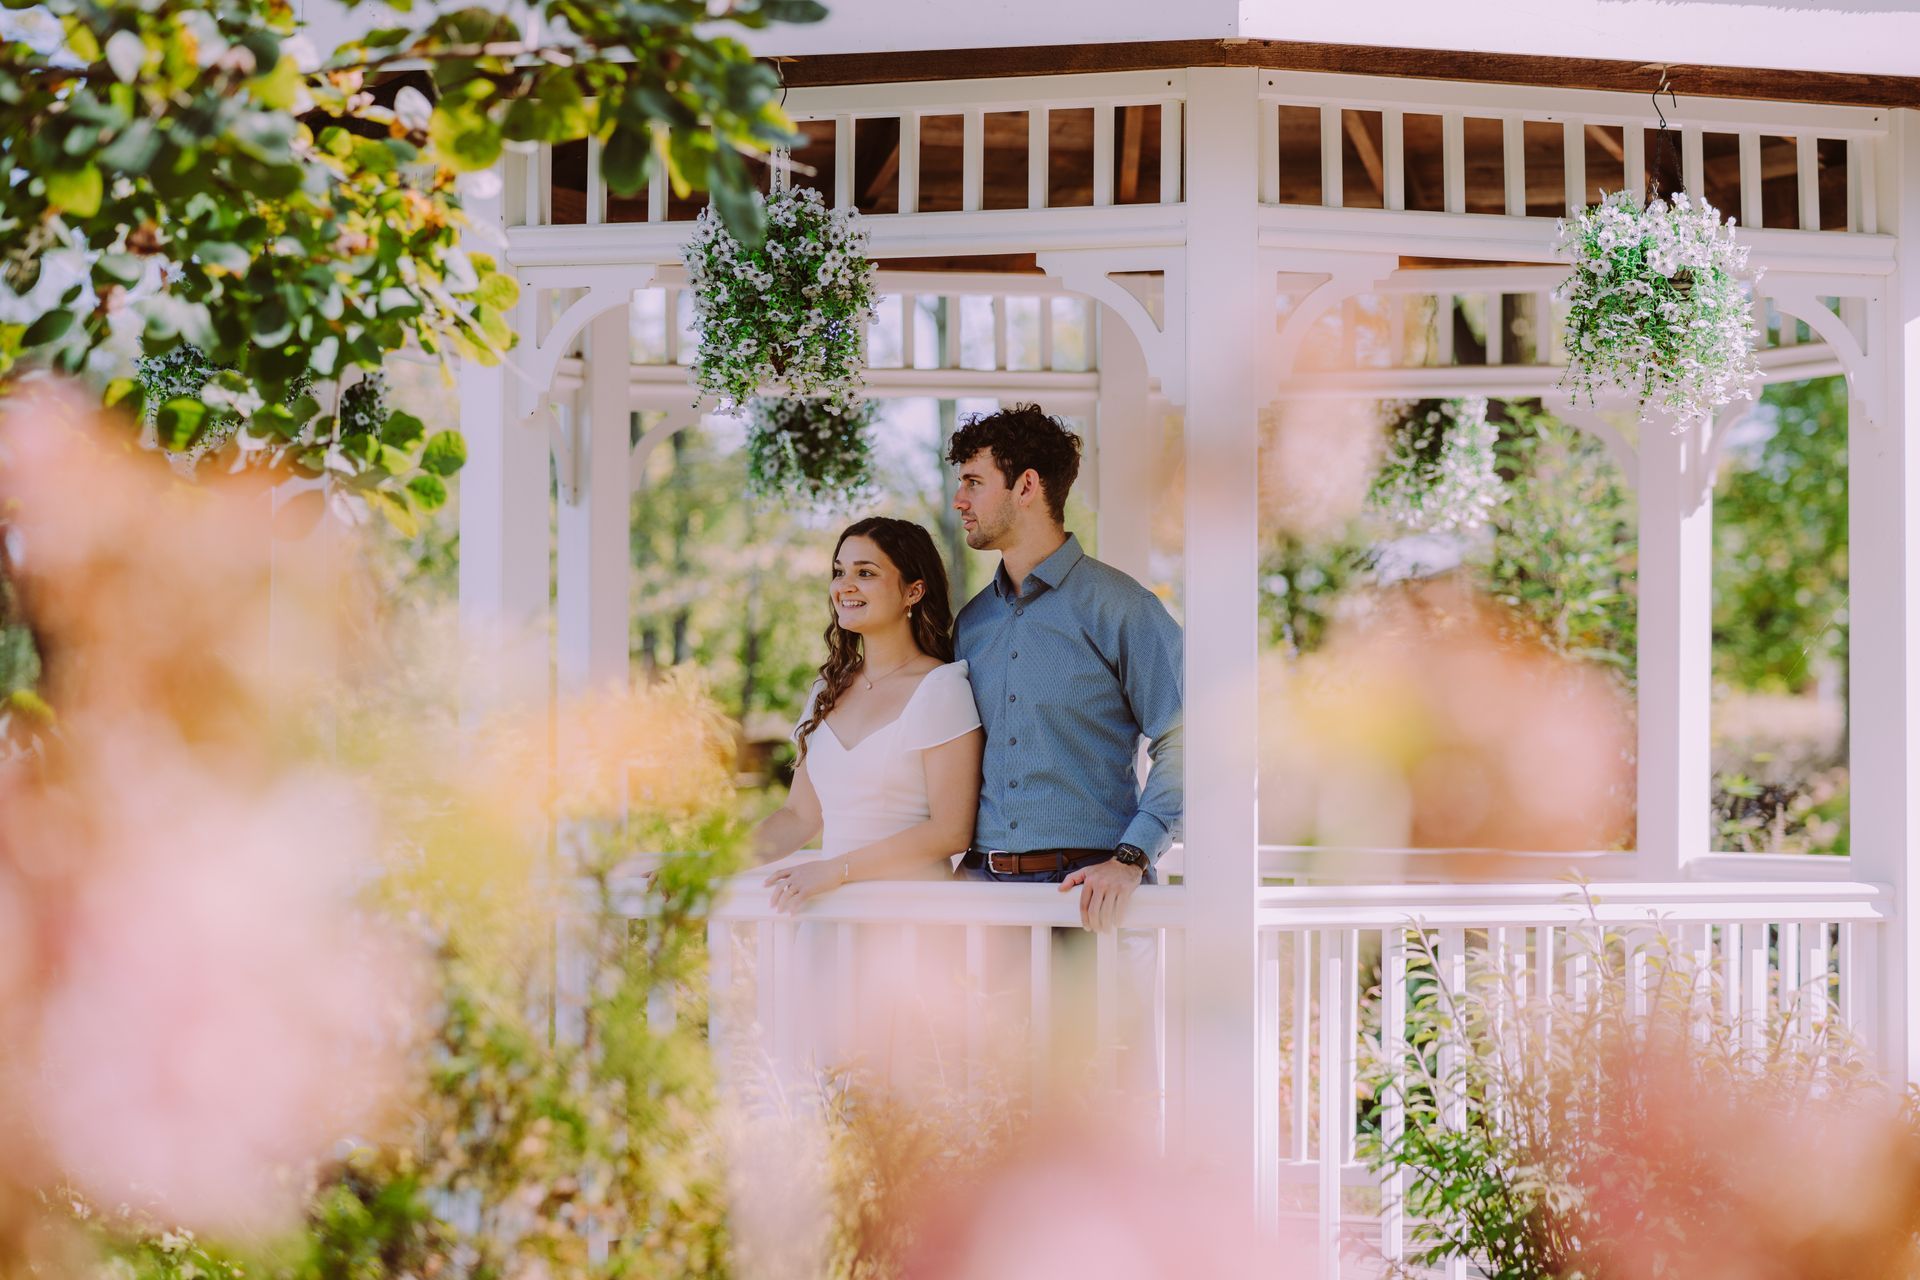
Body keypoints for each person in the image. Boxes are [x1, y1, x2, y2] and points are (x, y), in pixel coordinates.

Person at [948, 404, 1183, 927]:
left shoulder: (1121, 607)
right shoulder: (972, 624)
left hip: (1091, 897)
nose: (958, 500)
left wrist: (1132, 858)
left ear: (1026, 486)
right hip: (983, 903)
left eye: (973, 482)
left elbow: (1189, 738)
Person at [755, 517, 984, 909]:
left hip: (907, 918)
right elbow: (798, 816)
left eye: (866, 573)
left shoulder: (942, 688)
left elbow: (950, 831)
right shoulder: (826, 691)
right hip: (827, 915)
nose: (845, 585)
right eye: (839, 571)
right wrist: (711, 863)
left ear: (914, 591)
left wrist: (837, 870)